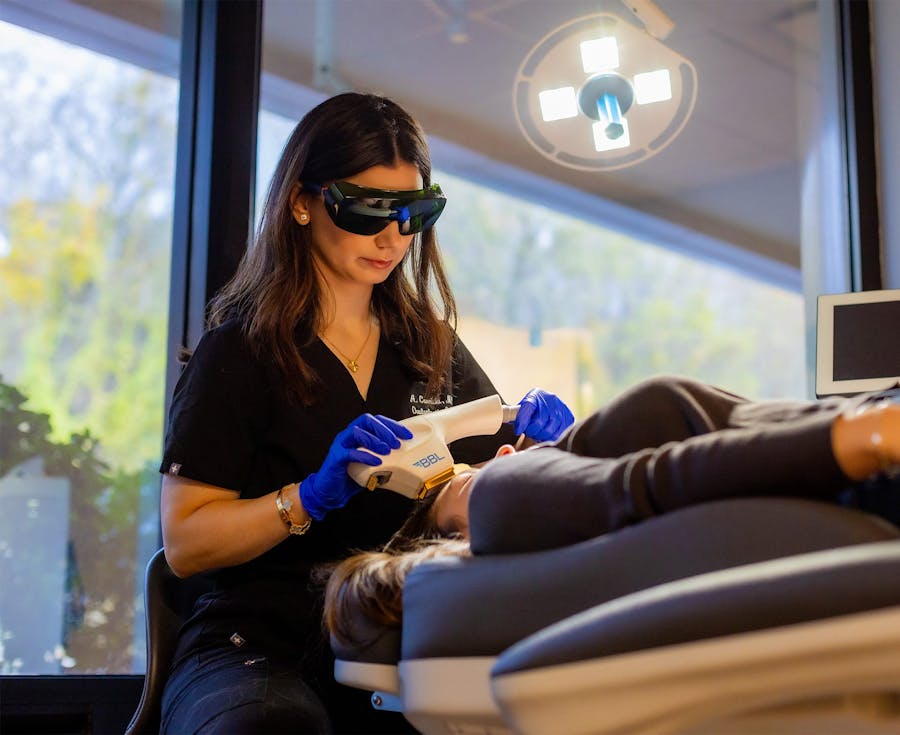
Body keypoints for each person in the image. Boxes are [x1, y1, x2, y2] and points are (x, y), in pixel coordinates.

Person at [158, 92, 574, 734]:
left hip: (394, 632)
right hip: (259, 643)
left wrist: (541, 458)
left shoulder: (428, 345)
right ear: (301, 201)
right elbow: (186, 544)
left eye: (412, 212)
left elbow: (475, 497)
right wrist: (311, 497)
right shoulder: (240, 353)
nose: (392, 237)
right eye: (368, 209)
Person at [323, 375, 900, 650]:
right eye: (466, 480)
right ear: (458, 540)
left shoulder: (521, 505)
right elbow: (656, 483)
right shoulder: (504, 503)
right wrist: (874, 434)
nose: (503, 452)